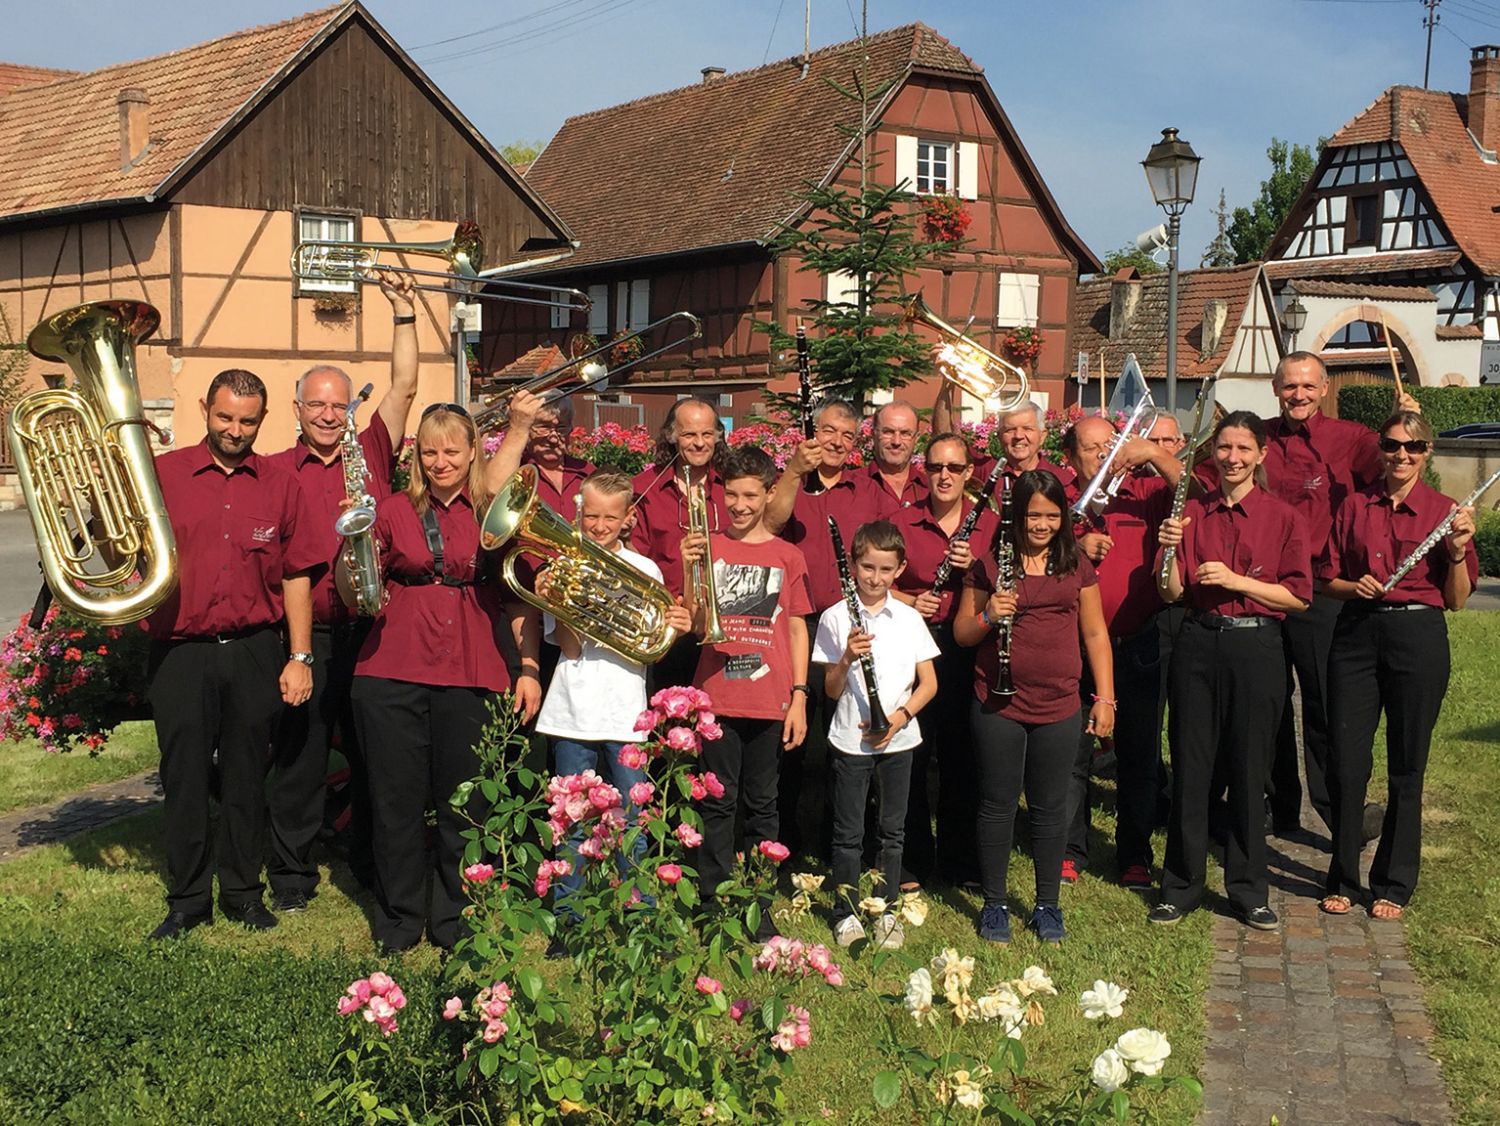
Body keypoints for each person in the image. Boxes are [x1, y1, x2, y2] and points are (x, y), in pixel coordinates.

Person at [340, 401, 542, 952]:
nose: (440, 460)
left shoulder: (494, 514)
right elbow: (353, 590)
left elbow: (519, 600)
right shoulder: (388, 511)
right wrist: (351, 550)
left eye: (452, 449)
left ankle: (454, 920)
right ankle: (399, 920)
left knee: (465, 805)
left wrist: (527, 667)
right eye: (429, 450)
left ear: (474, 450)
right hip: (390, 672)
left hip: (472, 671)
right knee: (395, 802)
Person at [145, 369, 322, 940]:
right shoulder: (161, 474)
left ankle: (243, 893)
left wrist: (299, 656)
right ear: (205, 408)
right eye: (225, 417)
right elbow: (121, 544)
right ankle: (188, 899)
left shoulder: (280, 483)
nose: (234, 429)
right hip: (180, 652)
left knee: (248, 778)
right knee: (186, 778)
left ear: (263, 420)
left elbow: (296, 574)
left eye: (247, 420)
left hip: (252, 650)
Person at [265, 271, 418, 909]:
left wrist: (403, 312)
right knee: (299, 759)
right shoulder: (274, 470)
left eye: (338, 405)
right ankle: (293, 876)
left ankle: (368, 865)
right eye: (317, 405)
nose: (329, 415)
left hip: (375, 629)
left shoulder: (372, 449)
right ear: (298, 409)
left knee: (373, 757)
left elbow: (406, 383)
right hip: (310, 635)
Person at [1150, 411, 1312, 932]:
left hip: (1257, 647)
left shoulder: (1283, 517)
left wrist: (1240, 582)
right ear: (1213, 454)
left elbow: (1299, 597)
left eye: (1243, 449)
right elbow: (1170, 593)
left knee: (1248, 771)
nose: (1233, 458)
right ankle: (1180, 886)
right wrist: (1168, 552)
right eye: (1224, 448)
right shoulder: (1191, 511)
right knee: (1192, 771)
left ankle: (1248, 890)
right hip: (1199, 644)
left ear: (1261, 454)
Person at [1319, 411, 1477, 921]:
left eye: (1412, 447)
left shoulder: (1446, 511)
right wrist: (1353, 586)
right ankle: (1342, 873)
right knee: (1347, 760)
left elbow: (1456, 601)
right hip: (1358, 631)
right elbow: (1327, 578)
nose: (1401, 455)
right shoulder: (1354, 505)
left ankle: (1394, 880)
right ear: (1381, 449)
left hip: (1418, 635)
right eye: (1391, 446)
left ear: (1427, 452)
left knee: (1408, 763)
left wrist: (1455, 553)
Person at [954, 470, 1115, 945]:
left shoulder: (1075, 564)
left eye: (1051, 515)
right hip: (998, 703)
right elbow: (963, 633)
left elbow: (1095, 634)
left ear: (1063, 517)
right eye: (1032, 515)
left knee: (1051, 807)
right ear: (1015, 517)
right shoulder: (991, 563)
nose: (1041, 524)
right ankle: (995, 903)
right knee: (998, 805)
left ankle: (1048, 905)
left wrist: (1104, 697)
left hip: (1061, 704)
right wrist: (988, 615)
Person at [534, 470, 692, 949]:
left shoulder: (646, 572)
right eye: (591, 516)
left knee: (634, 821)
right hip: (571, 710)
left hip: (627, 713)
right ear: (578, 515)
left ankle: (639, 917)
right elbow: (571, 648)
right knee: (570, 821)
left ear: (629, 518)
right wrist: (560, 604)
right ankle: (569, 922)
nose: (599, 525)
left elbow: (654, 652)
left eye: (610, 517)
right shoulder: (563, 567)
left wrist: (676, 627)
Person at [1262, 352, 1416, 836]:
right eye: (1290, 387)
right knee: (1266, 703)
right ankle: (1276, 806)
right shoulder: (1258, 438)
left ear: (1324, 388)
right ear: (1276, 389)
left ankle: (1339, 813)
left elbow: (1400, 468)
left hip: (1319, 589)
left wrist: (1405, 424)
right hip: (1262, 587)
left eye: (1308, 386)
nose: (1299, 395)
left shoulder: (1351, 439)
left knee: (1325, 705)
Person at [680, 446, 812, 937]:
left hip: (770, 695)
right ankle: (712, 899)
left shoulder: (787, 555)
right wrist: (686, 566)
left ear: (768, 494)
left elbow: (798, 627)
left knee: (763, 803)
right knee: (716, 802)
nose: (738, 504)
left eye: (750, 495)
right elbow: (695, 625)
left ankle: (758, 901)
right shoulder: (706, 545)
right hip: (716, 694)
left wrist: (799, 695)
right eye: (731, 494)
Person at [1059, 415, 1182, 890]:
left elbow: (1193, 490)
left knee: (1139, 752)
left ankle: (1133, 852)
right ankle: (1070, 849)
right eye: (1092, 449)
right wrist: (1075, 545)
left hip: (1138, 641)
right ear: (1072, 458)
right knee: (1073, 753)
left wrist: (1151, 453)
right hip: (1076, 644)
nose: (1103, 456)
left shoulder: (1146, 492)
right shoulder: (1064, 499)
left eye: (1109, 445)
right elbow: (1032, 545)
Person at [814, 520, 938, 949]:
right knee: (848, 833)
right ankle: (845, 912)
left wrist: (899, 719)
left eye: (885, 570)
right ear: (851, 566)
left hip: (899, 740)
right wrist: (847, 657)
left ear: (899, 569)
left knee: (892, 830)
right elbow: (831, 690)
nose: (875, 578)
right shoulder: (834, 617)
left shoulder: (907, 618)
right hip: (851, 739)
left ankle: (885, 910)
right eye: (867, 568)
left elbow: (930, 684)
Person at [888, 432, 997, 888]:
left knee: (963, 754)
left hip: (969, 645)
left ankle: (960, 860)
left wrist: (974, 564)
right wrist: (911, 601)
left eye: (954, 468)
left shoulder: (988, 523)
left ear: (969, 472)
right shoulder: (901, 521)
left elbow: (1007, 582)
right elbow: (872, 583)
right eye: (935, 468)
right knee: (915, 749)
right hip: (916, 643)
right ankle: (912, 858)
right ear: (923, 471)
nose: (944, 476)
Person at [765, 398, 873, 856]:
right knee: (792, 738)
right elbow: (772, 520)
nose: (836, 442)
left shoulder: (866, 487)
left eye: (847, 436)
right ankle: (784, 840)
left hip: (849, 625)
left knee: (844, 736)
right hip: (798, 622)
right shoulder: (789, 478)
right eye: (829, 431)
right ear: (812, 431)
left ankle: (838, 842)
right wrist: (793, 472)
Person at [630, 397, 730, 689]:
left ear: (718, 437)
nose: (699, 443)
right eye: (689, 435)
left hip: (725, 624)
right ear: (672, 437)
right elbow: (637, 560)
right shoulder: (643, 489)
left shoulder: (732, 487)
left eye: (707, 434)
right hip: (669, 626)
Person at [932, 391, 1074, 489]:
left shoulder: (1063, 480)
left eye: (1027, 428)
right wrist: (948, 383)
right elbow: (944, 438)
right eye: (1010, 430)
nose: (1018, 436)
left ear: (1042, 436)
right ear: (999, 436)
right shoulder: (986, 470)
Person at [858, 400, 928, 516]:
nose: (896, 441)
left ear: (916, 438)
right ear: (873, 434)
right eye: (888, 432)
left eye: (905, 433)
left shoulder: (929, 489)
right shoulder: (853, 487)